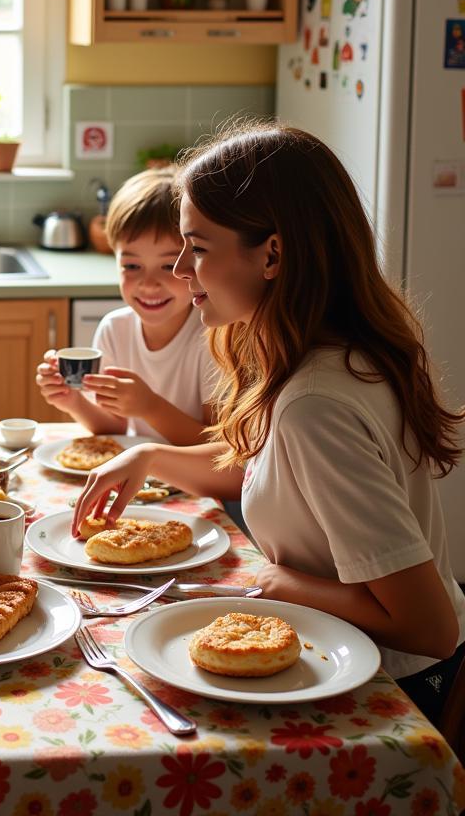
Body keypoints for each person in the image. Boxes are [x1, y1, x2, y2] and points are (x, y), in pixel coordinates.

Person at [73, 125, 465, 722]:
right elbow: (274, 473)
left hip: (385, 687)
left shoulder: (315, 405)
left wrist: (279, 582)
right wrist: (150, 457)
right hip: (332, 656)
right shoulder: (331, 356)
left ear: (273, 255)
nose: (181, 270)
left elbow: (429, 627)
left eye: (198, 248)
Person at [35, 166, 215, 445]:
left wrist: (150, 407)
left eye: (168, 266)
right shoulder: (114, 329)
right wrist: (73, 401)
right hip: (144, 478)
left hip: (193, 483)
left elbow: (217, 451)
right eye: (132, 266)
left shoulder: (213, 336)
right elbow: (113, 428)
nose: (148, 284)